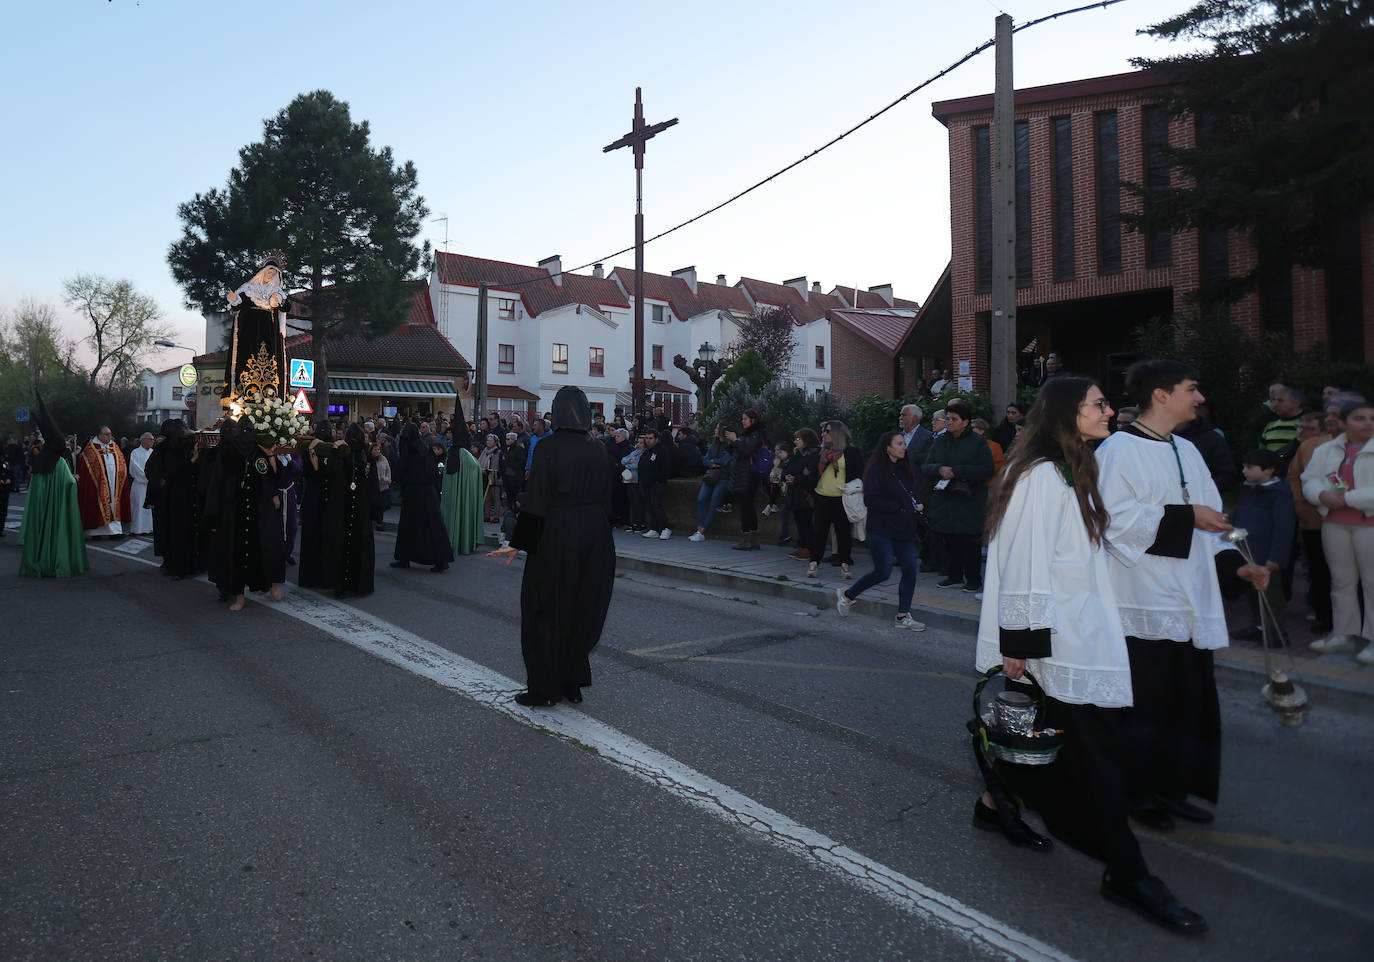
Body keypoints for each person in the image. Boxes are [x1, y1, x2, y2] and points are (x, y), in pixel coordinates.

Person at [971, 376, 1208, 935]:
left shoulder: (1072, 469)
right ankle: (1127, 874)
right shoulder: (1036, 476)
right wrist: (1021, 649)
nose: (1109, 412)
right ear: (1066, 414)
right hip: (1056, 641)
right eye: (1098, 405)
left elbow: (1102, 542)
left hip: (1079, 629)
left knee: (1059, 743)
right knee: (1094, 759)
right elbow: (1023, 560)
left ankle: (993, 804)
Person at [1095, 359, 1270, 830]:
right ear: (1161, 395)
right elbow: (1114, 523)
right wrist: (1187, 515)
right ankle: (1137, 792)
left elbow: (1211, 518)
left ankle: (1171, 787)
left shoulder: (1187, 451)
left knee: (1186, 701)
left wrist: (1239, 567)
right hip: (1143, 597)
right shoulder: (1116, 451)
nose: (1200, 398)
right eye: (1192, 389)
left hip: (1189, 596)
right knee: (1147, 705)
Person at [489, 386, 616, 707]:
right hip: (596, 534)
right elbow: (609, 497)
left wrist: (519, 544)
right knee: (582, 607)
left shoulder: (548, 447)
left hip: (558, 533)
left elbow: (538, 499)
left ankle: (544, 687)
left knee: (545, 607)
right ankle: (571, 681)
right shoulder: (598, 448)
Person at [1300, 399, 1374, 664]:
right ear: (1343, 423)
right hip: (1334, 523)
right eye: (1359, 418)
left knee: (1372, 582)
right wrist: (1321, 494)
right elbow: (1309, 479)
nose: (1368, 423)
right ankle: (1343, 633)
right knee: (1341, 581)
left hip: (1370, 525)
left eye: (1372, 418)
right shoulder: (1326, 450)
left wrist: (1348, 499)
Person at [835, 431, 927, 630]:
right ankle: (848, 595)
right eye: (899, 443)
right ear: (888, 448)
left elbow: (909, 493)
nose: (904, 447)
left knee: (910, 570)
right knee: (883, 572)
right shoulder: (877, 470)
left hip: (904, 530)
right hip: (881, 530)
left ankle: (902, 616)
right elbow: (871, 500)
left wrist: (915, 503)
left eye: (904, 443)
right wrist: (897, 507)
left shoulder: (905, 468)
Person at [204, 416, 286, 611]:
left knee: (265, 549)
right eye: (245, 432)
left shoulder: (259, 453)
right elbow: (218, 484)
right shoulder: (228, 455)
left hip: (258, 512)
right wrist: (216, 512)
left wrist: (273, 494)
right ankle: (239, 597)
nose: (247, 437)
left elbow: (267, 477)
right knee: (237, 556)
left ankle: (271, 585)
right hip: (235, 513)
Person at [922, 400, 994, 592]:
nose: (949, 422)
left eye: (954, 419)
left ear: (965, 422)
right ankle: (954, 576)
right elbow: (926, 467)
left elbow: (987, 469)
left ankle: (973, 579)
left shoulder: (977, 442)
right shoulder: (940, 441)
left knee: (970, 542)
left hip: (969, 500)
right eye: (947, 418)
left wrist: (956, 471)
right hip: (946, 500)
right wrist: (939, 468)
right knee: (950, 539)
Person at [18, 393, 88, 578]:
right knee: (55, 533)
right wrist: (76, 478)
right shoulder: (59, 462)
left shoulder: (41, 460)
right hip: (55, 509)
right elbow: (68, 482)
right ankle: (53, 562)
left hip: (40, 508)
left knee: (39, 533)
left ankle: (38, 561)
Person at [1230, 450, 1295, 643]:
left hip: (1266, 554)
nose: (1244, 471)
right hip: (1248, 551)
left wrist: (1276, 558)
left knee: (1271, 594)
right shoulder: (1250, 489)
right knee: (1253, 593)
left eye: (1249, 467)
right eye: (1244, 466)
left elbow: (1284, 528)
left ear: (1269, 471)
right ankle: (1260, 627)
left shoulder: (1279, 494)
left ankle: (1276, 632)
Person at [1289, 409, 1338, 635]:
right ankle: (1325, 617)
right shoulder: (1311, 447)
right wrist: (1302, 506)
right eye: (1329, 415)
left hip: (1356, 523)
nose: (1331, 420)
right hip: (1315, 521)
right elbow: (1296, 477)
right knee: (1320, 572)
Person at [326, 424, 383, 598]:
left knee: (358, 547)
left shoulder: (367, 459)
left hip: (360, 509)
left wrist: (375, 511)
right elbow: (332, 473)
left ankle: (359, 584)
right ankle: (341, 585)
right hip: (344, 508)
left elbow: (373, 485)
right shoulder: (343, 456)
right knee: (342, 547)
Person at [391, 421, 455, 573]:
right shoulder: (424, 448)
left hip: (414, 492)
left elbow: (401, 470)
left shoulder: (409, 449)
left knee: (410, 527)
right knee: (431, 526)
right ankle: (438, 559)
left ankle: (406, 558)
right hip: (428, 492)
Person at [145, 419, 201, 579]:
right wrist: (191, 461)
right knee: (178, 532)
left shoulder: (165, 448)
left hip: (172, 497)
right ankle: (178, 567)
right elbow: (174, 471)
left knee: (174, 532)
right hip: (177, 498)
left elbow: (154, 470)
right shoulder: (170, 449)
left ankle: (172, 564)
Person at [806, 421, 861, 578]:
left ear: (837, 433)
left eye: (827, 431)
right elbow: (810, 473)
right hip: (822, 497)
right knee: (819, 533)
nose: (823, 434)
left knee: (843, 533)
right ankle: (813, 563)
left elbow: (858, 474)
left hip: (842, 498)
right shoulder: (820, 453)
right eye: (823, 431)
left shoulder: (852, 452)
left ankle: (845, 565)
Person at [297, 422, 338, 590]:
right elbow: (311, 472)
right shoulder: (312, 449)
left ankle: (314, 576)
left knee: (316, 538)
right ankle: (318, 576)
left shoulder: (326, 448)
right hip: (319, 498)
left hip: (317, 498)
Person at [76, 425, 131, 539]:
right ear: (99, 435)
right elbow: (86, 471)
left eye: (110, 434)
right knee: (97, 505)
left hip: (114, 483)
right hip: (97, 485)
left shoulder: (114, 446)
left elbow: (121, 462)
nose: (109, 436)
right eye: (106, 434)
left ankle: (115, 531)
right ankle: (96, 532)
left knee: (114, 504)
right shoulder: (90, 450)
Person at [441, 415, 484, 557]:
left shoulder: (454, 453)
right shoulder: (465, 455)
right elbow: (477, 470)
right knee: (463, 509)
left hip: (453, 496)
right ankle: (462, 541)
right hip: (463, 495)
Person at [725, 409, 767, 551]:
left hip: (749, 475)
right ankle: (752, 540)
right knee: (747, 506)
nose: (742, 421)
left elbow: (747, 451)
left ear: (753, 420)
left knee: (746, 507)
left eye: (745, 419)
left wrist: (736, 440)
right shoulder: (748, 434)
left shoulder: (757, 435)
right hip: (743, 474)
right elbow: (736, 451)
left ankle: (746, 540)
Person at [689, 425, 733, 542]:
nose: (715, 430)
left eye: (717, 429)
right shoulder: (714, 445)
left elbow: (725, 460)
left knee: (714, 503)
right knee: (701, 499)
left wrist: (714, 461)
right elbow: (705, 459)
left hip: (723, 477)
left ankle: (702, 530)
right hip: (711, 476)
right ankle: (699, 529)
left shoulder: (729, 446)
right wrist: (714, 463)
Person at [784, 428, 820, 560]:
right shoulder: (796, 455)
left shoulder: (813, 456)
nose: (795, 441)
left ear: (806, 440)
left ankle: (808, 548)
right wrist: (787, 477)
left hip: (805, 495)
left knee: (806, 522)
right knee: (799, 521)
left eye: (798, 439)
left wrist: (796, 479)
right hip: (794, 494)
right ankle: (802, 546)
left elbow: (812, 477)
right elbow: (788, 469)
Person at [637, 429, 673, 540]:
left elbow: (665, 468)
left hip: (657, 483)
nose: (648, 441)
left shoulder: (662, 451)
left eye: (650, 438)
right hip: (646, 484)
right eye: (646, 438)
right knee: (650, 507)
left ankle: (665, 528)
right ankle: (654, 528)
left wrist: (656, 479)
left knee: (657, 506)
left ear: (657, 439)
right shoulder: (646, 452)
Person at [126, 432, 155, 535]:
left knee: (149, 509)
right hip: (139, 484)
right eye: (150, 439)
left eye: (153, 439)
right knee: (138, 507)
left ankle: (149, 528)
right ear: (143, 440)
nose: (152, 441)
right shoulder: (135, 453)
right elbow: (135, 469)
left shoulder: (153, 452)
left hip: (151, 485)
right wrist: (148, 478)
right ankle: (137, 529)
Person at [478, 434, 503, 522]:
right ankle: (486, 515)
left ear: (495, 442)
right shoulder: (484, 451)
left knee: (496, 497)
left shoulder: (498, 452)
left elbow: (501, 465)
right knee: (487, 497)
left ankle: (496, 516)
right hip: (485, 475)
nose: (488, 442)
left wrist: (498, 475)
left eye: (490, 440)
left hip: (495, 476)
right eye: (487, 440)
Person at [372, 440, 392, 531]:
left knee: (381, 506)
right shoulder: (370, 459)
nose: (377, 451)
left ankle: (379, 523)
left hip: (383, 486)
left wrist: (387, 479)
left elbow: (388, 471)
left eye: (378, 450)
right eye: (375, 450)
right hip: (373, 487)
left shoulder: (383, 459)